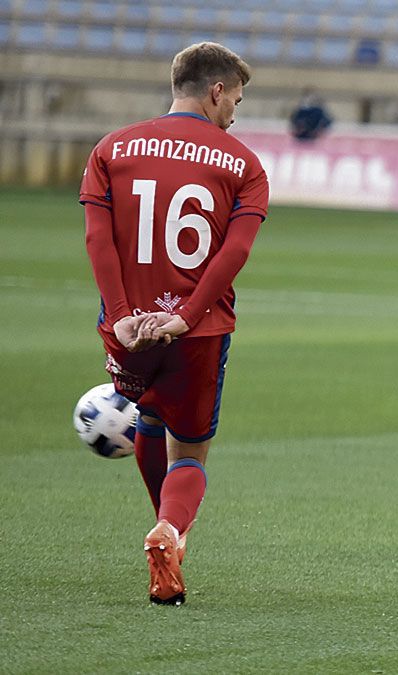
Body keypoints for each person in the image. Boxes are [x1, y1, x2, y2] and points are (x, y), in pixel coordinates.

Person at [80, 41, 269, 605]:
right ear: (215, 91)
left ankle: (167, 529)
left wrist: (121, 319)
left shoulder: (111, 148)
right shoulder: (244, 164)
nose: (235, 111)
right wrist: (185, 317)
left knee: (147, 416)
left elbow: (98, 240)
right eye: (234, 98)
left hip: (128, 329)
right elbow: (233, 254)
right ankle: (170, 531)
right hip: (198, 331)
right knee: (188, 454)